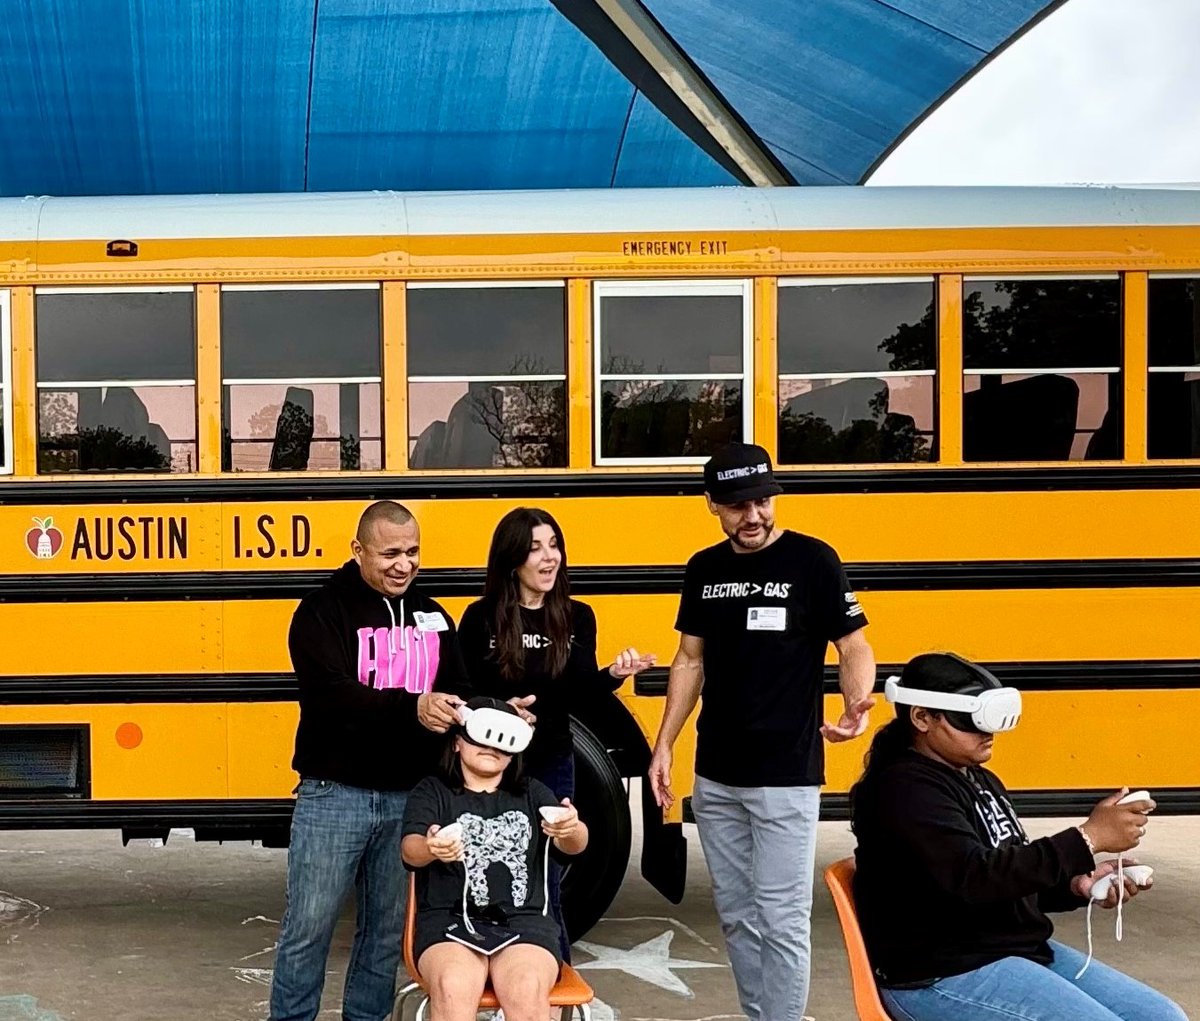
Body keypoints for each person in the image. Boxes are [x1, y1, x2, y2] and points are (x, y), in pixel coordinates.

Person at [648, 441, 877, 1021]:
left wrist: (856, 704)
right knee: (736, 914)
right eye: (737, 506)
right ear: (712, 506)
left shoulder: (814, 561)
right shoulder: (704, 569)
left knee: (782, 917)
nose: (753, 516)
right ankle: (762, 1015)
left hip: (786, 774)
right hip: (717, 774)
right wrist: (665, 744)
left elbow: (852, 644)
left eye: (762, 502)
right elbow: (689, 660)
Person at [850, 651, 1187, 1021]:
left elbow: (1008, 876)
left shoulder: (979, 779)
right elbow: (975, 878)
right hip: (941, 972)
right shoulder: (903, 789)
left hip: (1010, 951)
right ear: (922, 718)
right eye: (971, 721)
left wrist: (1077, 884)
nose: (988, 733)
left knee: (1163, 1016)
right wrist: (1087, 838)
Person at [269, 500, 471, 1021]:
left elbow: (458, 687)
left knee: (385, 932)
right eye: (390, 553)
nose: (404, 564)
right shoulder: (321, 611)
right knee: (308, 928)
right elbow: (330, 696)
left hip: (409, 798)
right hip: (335, 793)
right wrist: (413, 706)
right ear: (358, 550)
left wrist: (487, 711)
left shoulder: (433, 614)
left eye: (413, 552)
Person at [457, 506, 655, 958]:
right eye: (535, 549)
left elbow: (578, 694)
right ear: (512, 560)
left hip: (550, 759)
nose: (550, 558)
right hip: (488, 765)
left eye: (554, 545)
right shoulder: (480, 617)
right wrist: (499, 709)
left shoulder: (576, 616)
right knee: (484, 871)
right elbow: (461, 691)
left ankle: (549, 966)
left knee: (544, 872)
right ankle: (480, 963)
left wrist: (613, 675)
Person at [402, 696, 589, 1021]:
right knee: (452, 985)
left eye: (502, 741)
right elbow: (410, 850)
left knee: (526, 989)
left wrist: (570, 827)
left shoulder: (533, 793)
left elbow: (576, 845)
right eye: (480, 737)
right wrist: (432, 847)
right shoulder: (431, 792)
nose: (491, 748)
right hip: (450, 922)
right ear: (458, 742)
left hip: (525, 923)